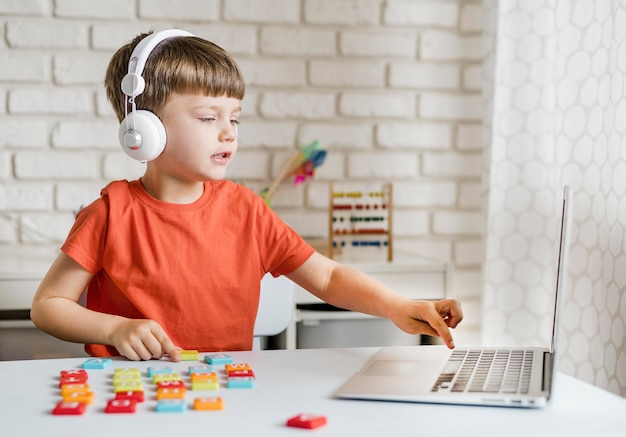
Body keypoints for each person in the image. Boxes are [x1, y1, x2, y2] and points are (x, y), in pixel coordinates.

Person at [30, 29, 463, 362]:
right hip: (130, 391)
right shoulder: (108, 214)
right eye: (207, 117)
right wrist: (112, 330)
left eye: (234, 118)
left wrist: (397, 306)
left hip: (223, 391)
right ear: (143, 129)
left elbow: (327, 277)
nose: (227, 132)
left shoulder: (246, 211)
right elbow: (48, 306)